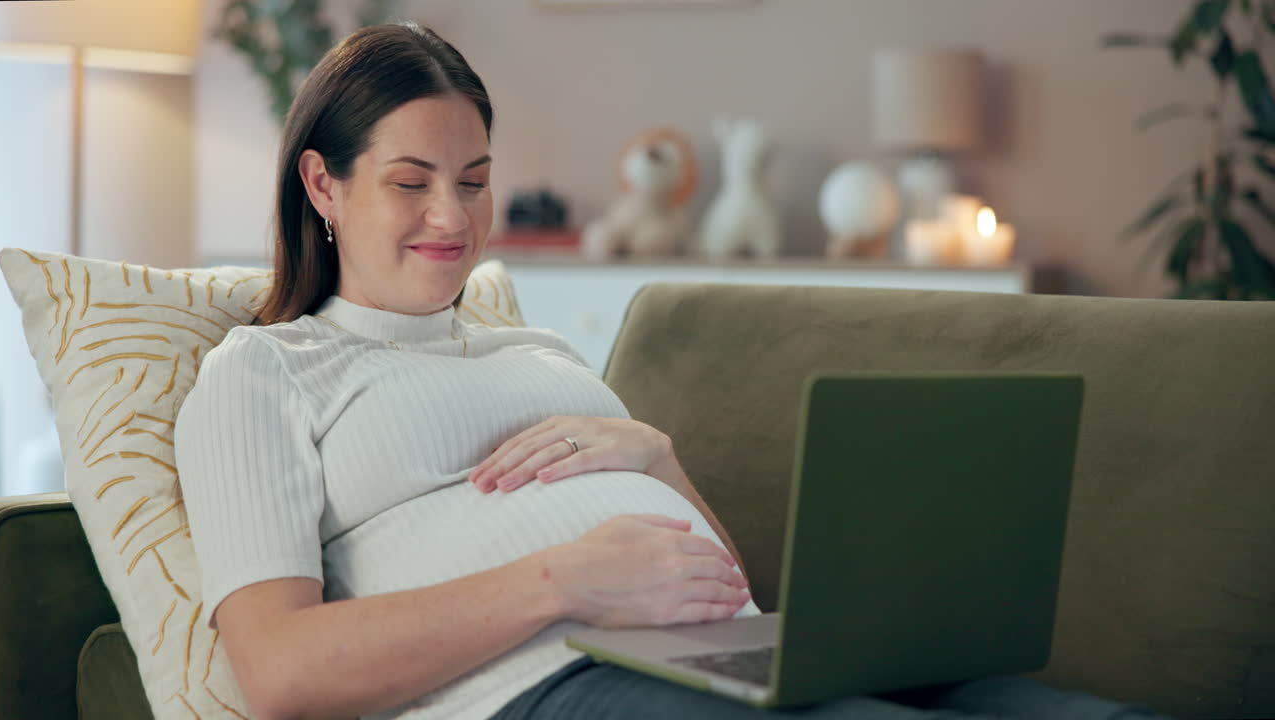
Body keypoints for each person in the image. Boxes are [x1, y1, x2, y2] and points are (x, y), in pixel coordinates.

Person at [175, 22, 1164, 720]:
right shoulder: (265, 373)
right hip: (533, 689)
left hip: (719, 654)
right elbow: (280, 674)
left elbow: (720, 580)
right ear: (322, 184)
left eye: (474, 182)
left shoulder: (534, 349)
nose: (453, 218)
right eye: (410, 183)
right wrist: (563, 579)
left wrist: (654, 458)